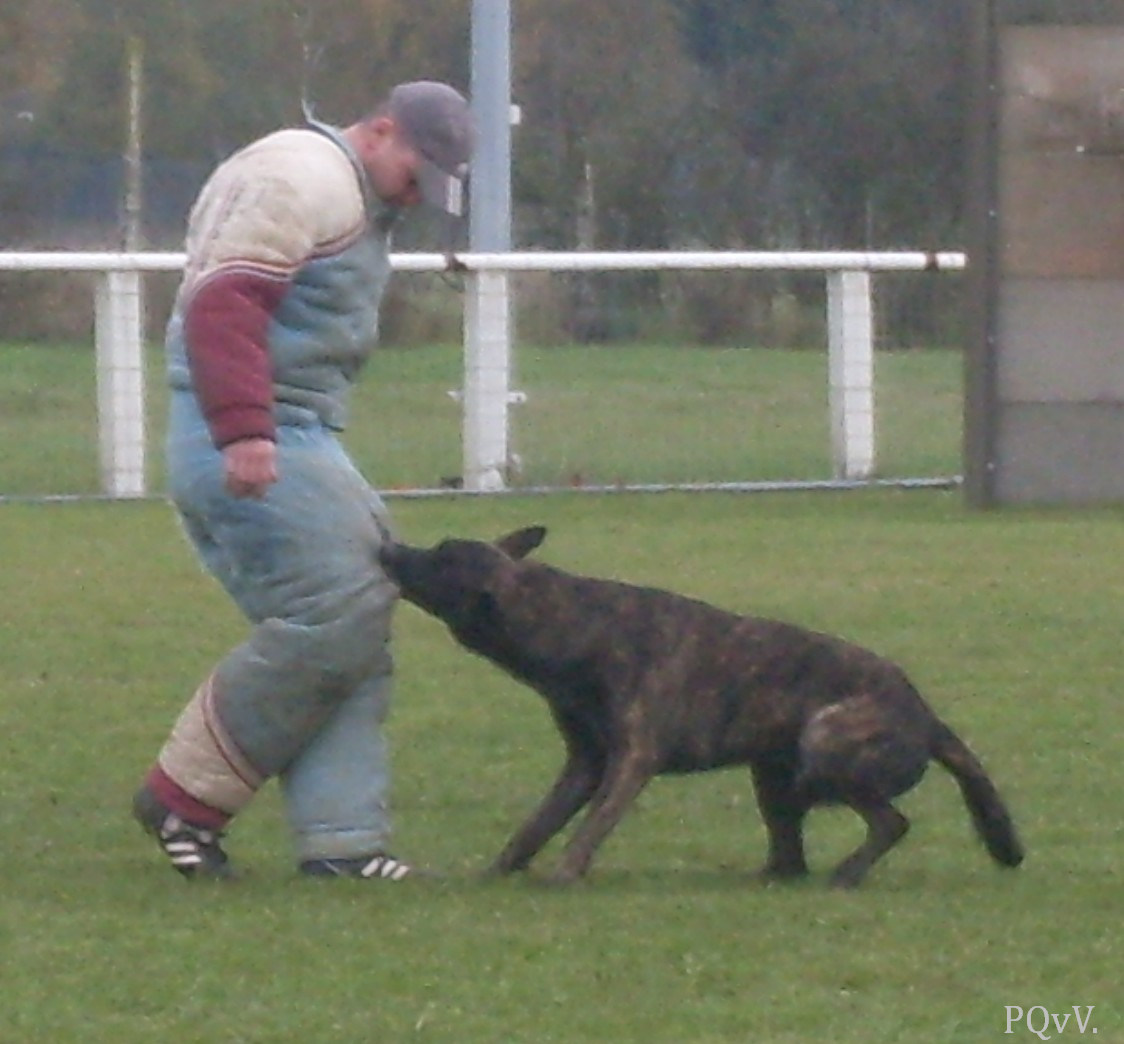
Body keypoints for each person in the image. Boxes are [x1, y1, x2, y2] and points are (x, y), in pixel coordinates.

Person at [132, 80, 473, 881]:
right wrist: (246, 431)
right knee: (335, 613)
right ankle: (182, 797)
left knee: (361, 617)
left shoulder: (338, 185)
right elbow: (224, 304)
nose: (421, 198)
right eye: (418, 173)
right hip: (253, 430)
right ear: (381, 131)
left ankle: (344, 846)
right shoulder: (303, 176)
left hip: (299, 430)